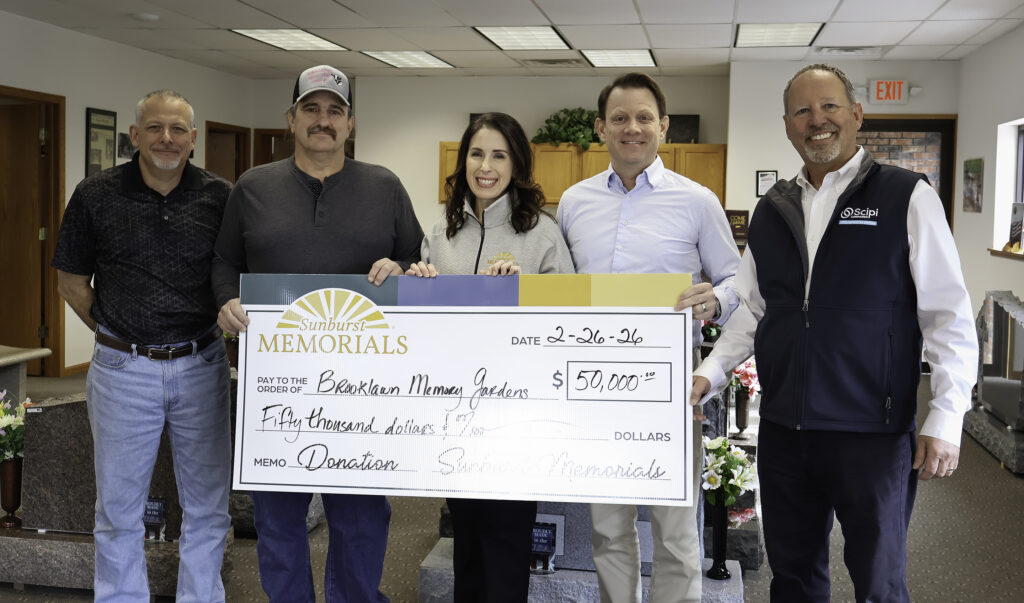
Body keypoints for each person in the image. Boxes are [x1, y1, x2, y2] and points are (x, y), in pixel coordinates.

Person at [692, 63, 979, 602]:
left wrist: (946, 415)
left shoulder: (906, 197)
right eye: (802, 110)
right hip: (784, 432)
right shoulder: (774, 208)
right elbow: (755, 310)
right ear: (786, 124)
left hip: (871, 433)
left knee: (879, 581)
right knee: (794, 579)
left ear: (856, 115)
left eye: (828, 107)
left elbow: (947, 315)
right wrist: (709, 371)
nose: (816, 120)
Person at [212, 65, 422, 603]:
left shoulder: (385, 186)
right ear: (291, 119)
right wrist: (225, 302)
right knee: (277, 517)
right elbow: (224, 262)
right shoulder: (252, 187)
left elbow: (416, 258)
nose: (322, 121)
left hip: (365, 388)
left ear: (350, 123)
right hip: (276, 387)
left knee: (360, 517)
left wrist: (403, 269)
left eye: (334, 110)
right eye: (311, 108)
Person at [557, 72, 740, 603]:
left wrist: (716, 300)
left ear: (662, 127)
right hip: (594, 392)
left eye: (642, 118)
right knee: (608, 531)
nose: (631, 128)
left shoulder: (697, 200)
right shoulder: (574, 202)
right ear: (600, 128)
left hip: (669, 393)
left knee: (677, 534)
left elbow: (737, 281)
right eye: (619, 118)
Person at [52, 90, 232, 602]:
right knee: (118, 511)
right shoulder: (95, 194)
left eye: (177, 129)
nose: (166, 139)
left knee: (208, 507)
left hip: (200, 364)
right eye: (155, 128)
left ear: (193, 139)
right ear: (134, 135)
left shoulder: (221, 196)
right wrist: (119, 333)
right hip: (121, 370)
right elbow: (71, 283)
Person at [405, 112, 574, 601]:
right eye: (477, 154)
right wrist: (418, 286)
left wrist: (525, 290)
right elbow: (424, 328)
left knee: (505, 543)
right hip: (456, 417)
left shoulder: (542, 233)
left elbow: (568, 318)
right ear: (463, 162)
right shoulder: (441, 232)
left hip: (518, 418)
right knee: (467, 543)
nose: (486, 166)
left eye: (499, 155)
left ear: (517, 164)